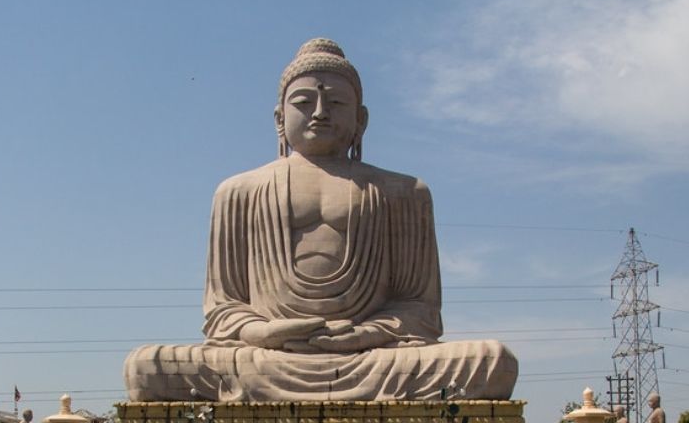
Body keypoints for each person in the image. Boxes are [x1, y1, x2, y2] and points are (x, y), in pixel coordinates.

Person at [123, 38, 517, 402]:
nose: (320, 112)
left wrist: (364, 334)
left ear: (361, 119)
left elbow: (419, 308)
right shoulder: (237, 191)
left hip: (371, 357)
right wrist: (263, 332)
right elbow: (223, 309)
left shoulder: (405, 192)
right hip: (267, 356)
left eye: (337, 104)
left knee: (493, 361)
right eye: (303, 102)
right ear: (279, 118)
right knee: (145, 368)